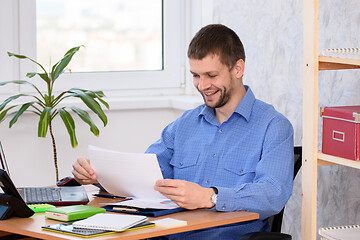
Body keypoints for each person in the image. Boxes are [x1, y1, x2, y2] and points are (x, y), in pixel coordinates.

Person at [72, 24, 294, 239]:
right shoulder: (185, 124)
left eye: (211, 75)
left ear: (238, 69)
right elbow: (146, 175)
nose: (202, 85)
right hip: (166, 233)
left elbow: (273, 194)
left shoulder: (273, 126)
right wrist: (98, 175)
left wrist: (210, 196)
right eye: (196, 75)